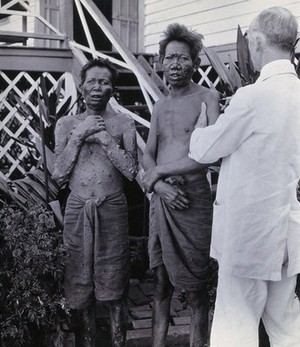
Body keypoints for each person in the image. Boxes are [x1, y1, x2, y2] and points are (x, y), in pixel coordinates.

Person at [189, 7, 300, 347]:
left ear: (257, 42)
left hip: (249, 237)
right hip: (288, 234)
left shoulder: (252, 97)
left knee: (235, 328)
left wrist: (200, 128)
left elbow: (205, 151)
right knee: (287, 326)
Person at [142, 23, 220, 347]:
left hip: (193, 202)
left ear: (195, 62)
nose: (175, 64)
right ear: (160, 62)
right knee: (161, 283)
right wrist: (159, 185)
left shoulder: (208, 97)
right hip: (163, 202)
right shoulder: (159, 106)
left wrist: (159, 173)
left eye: (183, 58)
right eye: (169, 57)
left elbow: (212, 154)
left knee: (197, 288)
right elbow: (148, 154)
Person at [53, 58, 138, 347]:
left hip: (112, 207)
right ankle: (85, 342)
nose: (97, 87)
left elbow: (129, 172)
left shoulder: (123, 123)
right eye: (92, 81)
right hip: (78, 209)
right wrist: (79, 136)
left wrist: (104, 138)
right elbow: (58, 175)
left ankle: (118, 342)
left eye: (104, 82)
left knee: (114, 281)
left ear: (113, 89)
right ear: (81, 87)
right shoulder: (66, 124)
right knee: (78, 280)